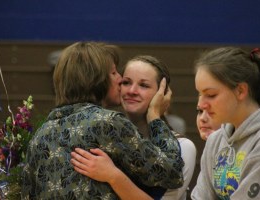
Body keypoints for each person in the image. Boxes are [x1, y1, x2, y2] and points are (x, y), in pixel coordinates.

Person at [21, 42, 184, 199]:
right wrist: (155, 117)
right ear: (97, 80)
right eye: (114, 73)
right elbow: (171, 173)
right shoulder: (108, 123)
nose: (120, 79)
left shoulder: (40, 134)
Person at [71, 55, 196, 200]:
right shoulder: (105, 136)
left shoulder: (183, 146)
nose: (132, 90)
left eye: (144, 85)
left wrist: (113, 176)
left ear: (162, 93)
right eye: (126, 82)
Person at [191, 47, 260, 199]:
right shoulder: (216, 139)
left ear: (240, 91)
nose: (201, 104)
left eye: (211, 95)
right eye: (200, 94)